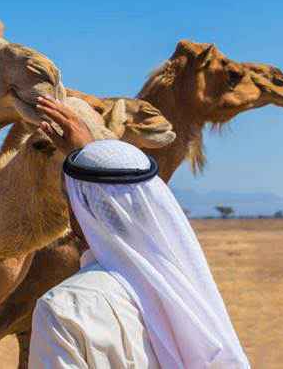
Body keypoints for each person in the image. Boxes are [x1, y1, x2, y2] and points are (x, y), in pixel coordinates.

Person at [29, 97, 250, 369]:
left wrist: (91, 161)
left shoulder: (64, 309)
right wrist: (93, 158)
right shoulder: (187, 295)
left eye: (71, 199)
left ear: (77, 213)